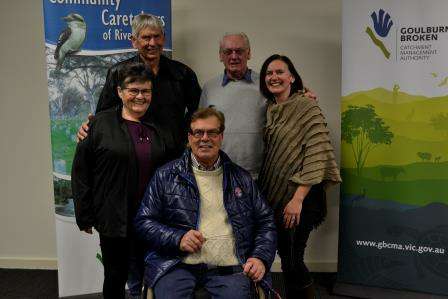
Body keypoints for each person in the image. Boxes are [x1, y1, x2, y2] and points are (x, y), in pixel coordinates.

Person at [134, 107, 277, 299]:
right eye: (198, 132)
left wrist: (260, 257)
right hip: (176, 264)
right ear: (189, 137)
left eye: (212, 132)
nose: (204, 138)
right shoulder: (165, 176)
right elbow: (143, 222)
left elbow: (266, 222)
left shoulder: (242, 178)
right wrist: (178, 238)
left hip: (230, 266)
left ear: (221, 136)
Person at [71, 62, 175, 299]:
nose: (140, 96)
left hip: (153, 218)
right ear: (119, 92)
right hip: (114, 217)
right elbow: (81, 172)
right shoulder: (98, 124)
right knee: (115, 276)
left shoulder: (162, 127)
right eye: (133, 90)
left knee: (153, 275)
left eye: (145, 91)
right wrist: (85, 214)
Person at [258, 54, 342, 299]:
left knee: (293, 260)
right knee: (286, 257)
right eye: (269, 73)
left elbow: (318, 151)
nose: (274, 77)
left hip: (302, 197)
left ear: (292, 77)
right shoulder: (270, 109)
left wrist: (297, 199)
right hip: (277, 195)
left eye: (280, 72)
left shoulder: (307, 106)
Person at [77, 13, 201, 156]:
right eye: (146, 38)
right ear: (134, 41)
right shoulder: (118, 73)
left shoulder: (183, 74)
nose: (153, 43)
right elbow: (105, 114)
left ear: (164, 38)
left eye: (157, 36)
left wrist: (184, 137)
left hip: (173, 155)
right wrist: (89, 127)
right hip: (132, 155)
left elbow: (197, 112)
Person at [200, 32, 316, 178]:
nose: (234, 56)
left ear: (248, 53)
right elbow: (201, 129)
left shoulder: (266, 83)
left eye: (239, 51)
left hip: (260, 175)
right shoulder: (209, 87)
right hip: (220, 173)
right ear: (220, 56)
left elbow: (287, 102)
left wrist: (303, 95)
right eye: (228, 52)